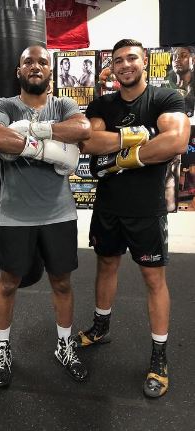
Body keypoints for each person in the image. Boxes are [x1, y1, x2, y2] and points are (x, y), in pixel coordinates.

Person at [75, 39, 190, 398]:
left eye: (132, 58)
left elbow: (175, 142)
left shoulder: (165, 99)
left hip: (146, 208)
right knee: (105, 266)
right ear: (111, 66)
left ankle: (159, 357)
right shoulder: (101, 103)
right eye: (119, 60)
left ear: (144, 62)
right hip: (108, 206)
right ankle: (100, 327)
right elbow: (89, 144)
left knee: (153, 279)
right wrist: (140, 136)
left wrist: (126, 158)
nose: (125, 65)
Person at [0, 45, 91, 388]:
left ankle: (64, 344)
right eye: (28, 61)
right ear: (18, 70)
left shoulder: (63, 105)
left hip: (58, 213)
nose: (35, 66)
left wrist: (34, 135)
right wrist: (52, 151)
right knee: (8, 283)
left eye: (42, 61)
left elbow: (82, 129)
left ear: (51, 71)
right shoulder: (3, 106)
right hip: (15, 216)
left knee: (61, 282)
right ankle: (2, 350)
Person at [167, 47, 195, 118]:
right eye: (174, 57)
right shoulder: (165, 84)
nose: (177, 60)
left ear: (193, 60)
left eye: (183, 56)